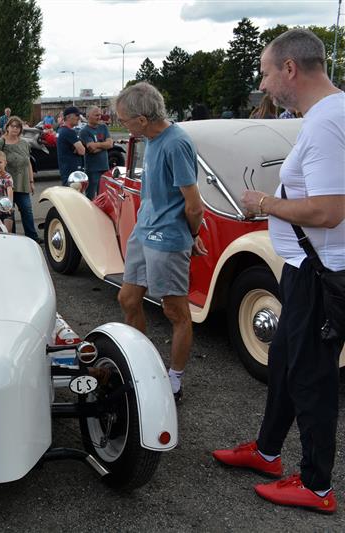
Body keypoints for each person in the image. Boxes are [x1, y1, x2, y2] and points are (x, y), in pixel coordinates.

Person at [213, 28, 345, 514]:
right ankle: (268, 452)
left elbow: (330, 210)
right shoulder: (329, 115)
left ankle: (316, 485)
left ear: (290, 69)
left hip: (319, 271)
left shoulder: (327, 122)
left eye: (267, 73)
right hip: (308, 267)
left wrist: (265, 202)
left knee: (311, 376)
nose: (264, 85)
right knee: (286, 362)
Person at [113, 82, 206, 403]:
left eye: (124, 120)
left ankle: (175, 380)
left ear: (142, 119)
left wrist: (191, 237)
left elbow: (194, 205)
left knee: (175, 311)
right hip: (144, 231)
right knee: (127, 298)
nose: (122, 125)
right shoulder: (150, 139)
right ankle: (141, 365)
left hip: (167, 237)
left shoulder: (176, 143)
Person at [0, 115, 39, 241]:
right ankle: (12, 238)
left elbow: (28, 162)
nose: (15, 129)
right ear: (7, 127)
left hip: (23, 183)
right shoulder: (1, 142)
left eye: (18, 127)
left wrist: (31, 181)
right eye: (12, 126)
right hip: (6, 185)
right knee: (9, 212)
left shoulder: (24, 143)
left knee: (27, 210)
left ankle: (32, 237)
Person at [78, 106, 113, 199]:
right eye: (96, 115)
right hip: (92, 169)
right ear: (88, 116)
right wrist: (104, 145)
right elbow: (92, 149)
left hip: (105, 167)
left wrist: (97, 145)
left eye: (100, 115)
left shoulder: (103, 127)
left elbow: (110, 144)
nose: (99, 117)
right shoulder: (84, 131)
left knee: (104, 195)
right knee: (91, 197)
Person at [56, 106, 87, 186]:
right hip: (72, 174)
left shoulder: (61, 130)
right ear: (68, 116)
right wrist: (80, 146)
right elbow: (82, 151)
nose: (79, 118)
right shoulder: (69, 132)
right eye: (76, 115)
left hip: (65, 170)